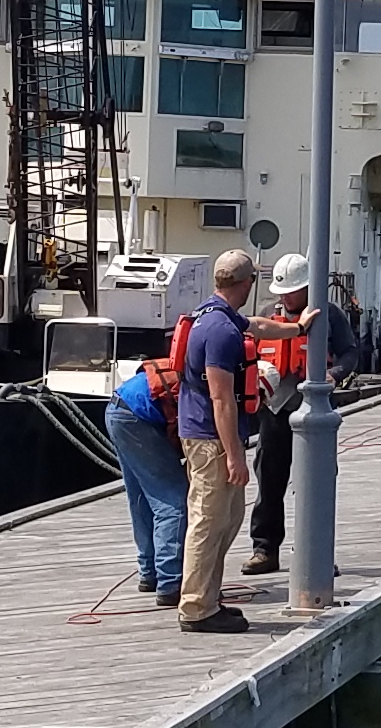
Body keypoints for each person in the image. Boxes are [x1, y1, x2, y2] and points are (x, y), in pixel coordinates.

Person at [175, 250, 257, 633]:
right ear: (245, 284)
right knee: (208, 520)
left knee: (227, 518)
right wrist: (235, 456)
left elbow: (255, 326)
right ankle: (196, 607)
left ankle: (209, 595)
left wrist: (297, 329)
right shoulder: (221, 332)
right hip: (211, 438)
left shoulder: (212, 315)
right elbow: (222, 398)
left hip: (207, 434)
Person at [242, 252, 314, 577]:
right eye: (282, 292)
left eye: (293, 291)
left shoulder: (328, 316)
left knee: (314, 481)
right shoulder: (265, 319)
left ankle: (315, 550)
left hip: (313, 411)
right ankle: (265, 549)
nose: (286, 297)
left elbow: (348, 352)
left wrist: (336, 374)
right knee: (269, 481)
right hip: (273, 412)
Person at [101, 344, 186, 607]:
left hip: (118, 407)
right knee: (174, 501)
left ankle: (148, 572)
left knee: (140, 496)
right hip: (140, 417)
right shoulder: (221, 381)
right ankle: (170, 582)